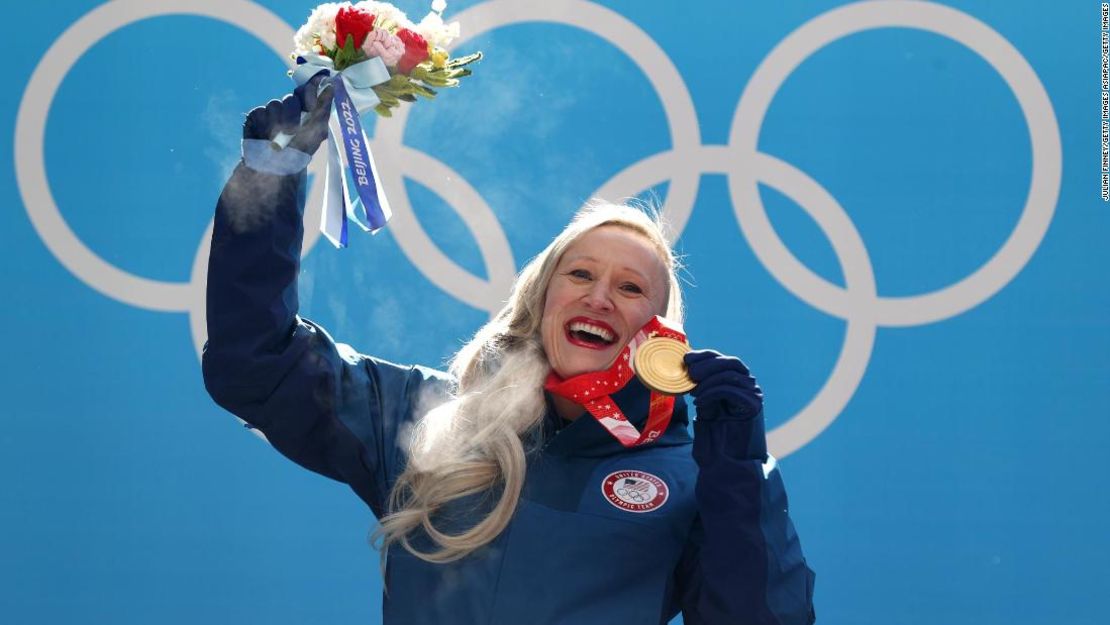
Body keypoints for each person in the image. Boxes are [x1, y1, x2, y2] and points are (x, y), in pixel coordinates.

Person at [202, 75, 816, 625]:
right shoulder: (427, 418)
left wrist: (740, 476)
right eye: (579, 275)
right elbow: (254, 362)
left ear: (658, 332)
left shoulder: (692, 470)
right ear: (541, 298)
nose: (600, 297)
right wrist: (269, 182)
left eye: (630, 288)